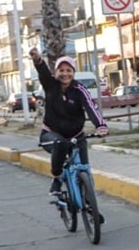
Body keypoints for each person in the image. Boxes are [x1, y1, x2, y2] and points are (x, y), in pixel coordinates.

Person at [27, 48, 108, 199]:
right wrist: (37, 59)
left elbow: (91, 107)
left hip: (76, 136)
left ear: (73, 72)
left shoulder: (79, 89)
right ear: (56, 72)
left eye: (69, 70)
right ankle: (57, 178)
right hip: (51, 135)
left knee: (85, 170)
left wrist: (100, 125)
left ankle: (91, 207)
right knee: (60, 143)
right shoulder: (50, 85)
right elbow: (43, 71)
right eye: (61, 70)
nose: (65, 74)